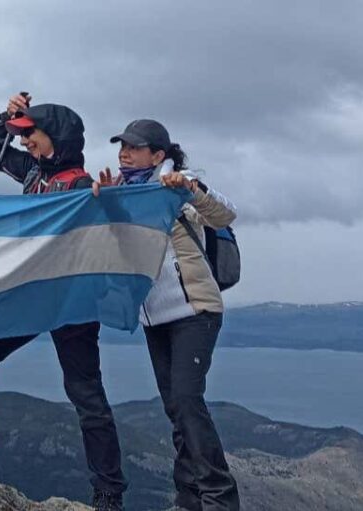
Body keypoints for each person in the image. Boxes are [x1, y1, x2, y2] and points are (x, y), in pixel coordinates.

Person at [0, 93, 128, 511]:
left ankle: (109, 493)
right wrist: (9, 116)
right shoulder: (33, 172)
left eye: (31, 135)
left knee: (85, 393)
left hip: (71, 301)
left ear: (56, 137)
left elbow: (112, 238)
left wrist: (112, 205)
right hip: (29, 294)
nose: (24, 143)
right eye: (23, 137)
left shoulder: (81, 185)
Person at [105, 119, 240, 511]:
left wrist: (191, 188)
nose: (123, 152)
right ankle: (188, 498)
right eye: (121, 146)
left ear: (158, 155)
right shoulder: (123, 192)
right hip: (155, 318)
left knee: (185, 400)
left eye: (133, 146)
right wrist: (102, 203)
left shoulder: (176, 186)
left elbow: (225, 215)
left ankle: (219, 499)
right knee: (176, 407)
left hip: (195, 309)